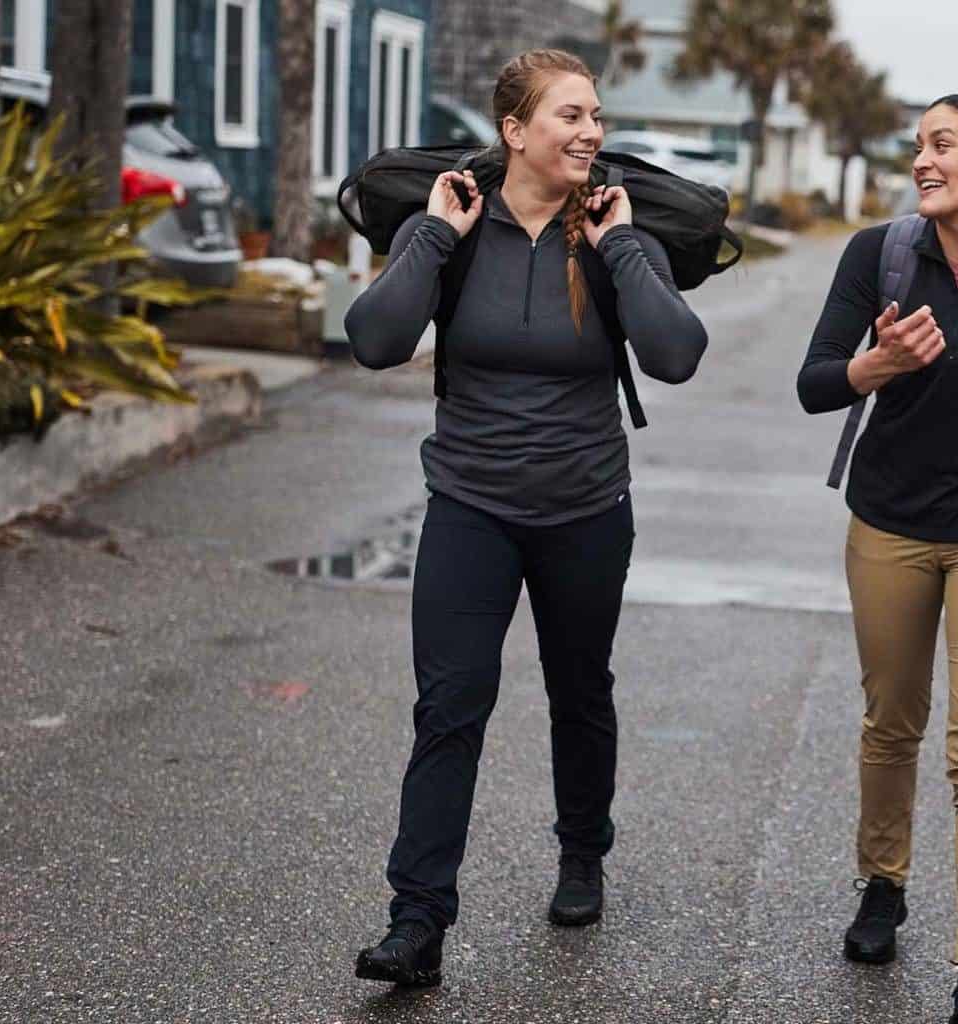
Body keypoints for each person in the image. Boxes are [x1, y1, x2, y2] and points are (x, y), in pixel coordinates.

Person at [344, 48, 708, 987]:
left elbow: (675, 355)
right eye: (570, 116)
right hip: (470, 504)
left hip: (587, 508)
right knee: (448, 707)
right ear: (514, 132)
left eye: (597, 117)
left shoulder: (616, 232)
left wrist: (623, 245)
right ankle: (416, 922)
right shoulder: (458, 228)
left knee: (579, 690)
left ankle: (582, 851)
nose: (592, 132)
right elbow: (375, 340)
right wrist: (429, 237)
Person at [798, 94, 958, 1024]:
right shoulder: (882, 253)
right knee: (892, 722)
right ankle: (883, 883)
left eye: (942, 145)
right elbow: (815, 383)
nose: (922, 160)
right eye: (917, 146)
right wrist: (877, 366)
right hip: (888, 522)